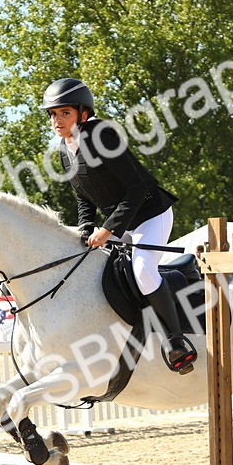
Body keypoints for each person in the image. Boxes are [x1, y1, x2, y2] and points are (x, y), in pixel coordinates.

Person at [43, 77, 193, 374]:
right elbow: (82, 195)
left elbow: (136, 187)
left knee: (142, 269)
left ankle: (177, 341)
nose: (57, 120)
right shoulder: (64, 148)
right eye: (53, 114)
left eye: (64, 113)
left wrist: (108, 229)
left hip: (150, 213)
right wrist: (86, 227)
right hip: (122, 221)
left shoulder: (102, 135)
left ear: (83, 114)